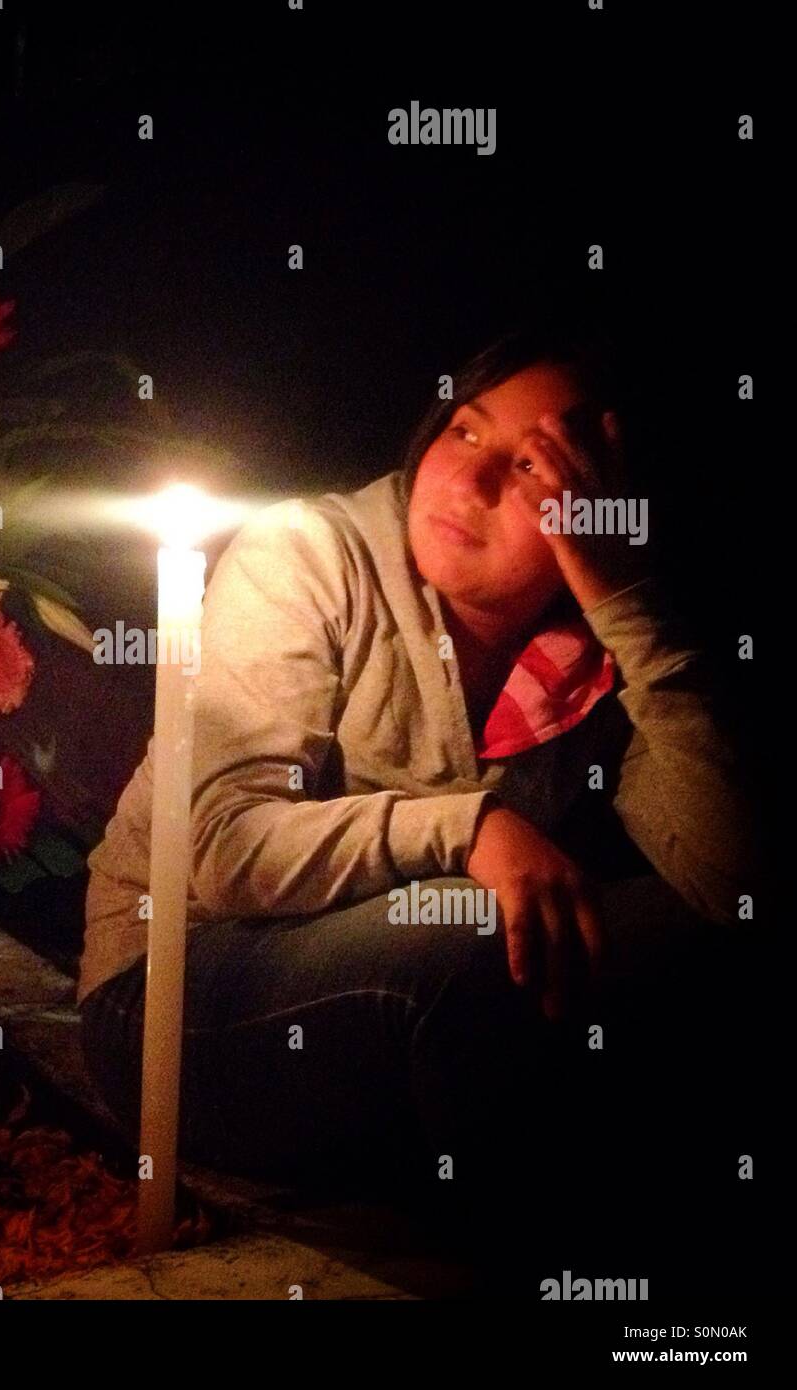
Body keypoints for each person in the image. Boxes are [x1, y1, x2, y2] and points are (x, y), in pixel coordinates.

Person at [77, 324, 767, 1276]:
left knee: (681, 934)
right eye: (465, 432)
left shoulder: (597, 654)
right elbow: (227, 849)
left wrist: (632, 606)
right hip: (175, 999)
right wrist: (472, 826)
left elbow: (738, 881)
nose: (470, 481)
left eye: (534, 467)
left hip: (388, 1008)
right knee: (477, 944)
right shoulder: (309, 554)